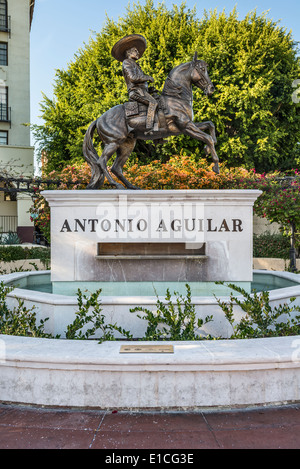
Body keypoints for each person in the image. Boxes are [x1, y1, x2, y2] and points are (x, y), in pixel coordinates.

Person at [111, 34, 158, 130]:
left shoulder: (135, 64)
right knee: (153, 103)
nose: (138, 53)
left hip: (142, 91)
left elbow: (139, 81)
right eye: (135, 51)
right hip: (136, 91)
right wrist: (147, 77)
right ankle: (150, 128)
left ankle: (158, 132)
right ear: (129, 52)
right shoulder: (127, 62)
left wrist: (149, 89)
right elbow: (133, 78)